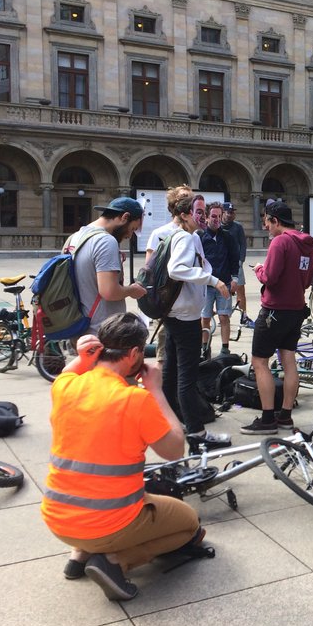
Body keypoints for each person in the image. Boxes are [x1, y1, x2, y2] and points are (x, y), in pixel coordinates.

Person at [41, 312, 203, 601]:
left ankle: (80, 554)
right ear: (134, 354)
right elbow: (175, 450)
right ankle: (114, 561)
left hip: (56, 519)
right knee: (189, 524)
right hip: (110, 523)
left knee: (131, 499)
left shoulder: (65, 386)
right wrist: (156, 390)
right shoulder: (134, 399)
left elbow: (70, 369)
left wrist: (83, 357)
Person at [160, 188, 231, 449]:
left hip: (175, 313)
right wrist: (213, 280)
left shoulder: (181, 236)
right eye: (198, 212)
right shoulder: (185, 239)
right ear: (184, 214)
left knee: (170, 373)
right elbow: (176, 270)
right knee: (186, 379)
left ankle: (170, 422)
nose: (202, 217)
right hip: (185, 317)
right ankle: (198, 435)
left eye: (203, 212)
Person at [240, 200, 313, 435]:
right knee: (289, 360)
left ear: (275, 220)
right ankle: (285, 416)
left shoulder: (280, 242)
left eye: (266, 221)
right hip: (296, 310)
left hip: (274, 311)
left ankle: (267, 419)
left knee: (260, 362)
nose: (265, 226)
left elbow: (270, 278)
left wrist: (259, 270)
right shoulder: (308, 245)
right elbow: (307, 280)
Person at [66, 197, 147, 334]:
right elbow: (109, 292)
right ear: (124, 217)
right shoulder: (106, 241)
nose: (129, 235)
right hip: (101, 330)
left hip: (79, 327)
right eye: (132, 229)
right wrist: (132, 290)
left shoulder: (76, 236)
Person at [198, 201, 240, 358]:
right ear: (207, 217)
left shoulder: (227, 237)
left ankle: (225, 349)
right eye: (213, 216)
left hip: (224, 284)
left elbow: (234, 259)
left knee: (224, 317)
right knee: (205, 317)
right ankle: (204, 348)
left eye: (219, 216)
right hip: (206, 285)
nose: (216, 219)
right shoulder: (200, 237)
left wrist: (235, 278)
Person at [145, 186, 191, 265]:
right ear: (174, 203)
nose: (189, 204)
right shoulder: (159, 233)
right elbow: (149, 266)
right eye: (183, 199)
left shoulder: (196, 235)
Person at [221, 202, 249, 317]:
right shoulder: (218, 227)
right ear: (223, 213)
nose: (231, 215)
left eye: (233, 212)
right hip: (223, 263)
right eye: (229, 212)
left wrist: (241, 260)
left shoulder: (238, 227)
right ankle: (224, 314)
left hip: (236, 263)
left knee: (240, 290)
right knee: (223, 290)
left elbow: (243, 244)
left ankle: (244, 315)